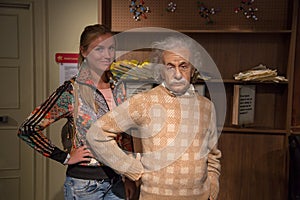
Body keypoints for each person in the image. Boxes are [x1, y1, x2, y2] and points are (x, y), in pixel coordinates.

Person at [86, 35, 222, 200]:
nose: (177, 74)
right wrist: (130, 166)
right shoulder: (144, 101)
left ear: (193, 69)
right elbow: (97, 134)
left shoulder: (206, 106)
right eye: (170, 66)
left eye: (184, 66)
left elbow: (213, 155)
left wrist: (213, 182)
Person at [18, 24, 136, 200]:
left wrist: (129, 177)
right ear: (84, 52)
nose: (107, 55)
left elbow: (126, 136)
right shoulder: (72, 91)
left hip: (116, 182)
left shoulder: (119, 88)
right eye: (99, 49)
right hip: (84, 186)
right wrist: (65, 157)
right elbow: (28, 129)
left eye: (111, 48)